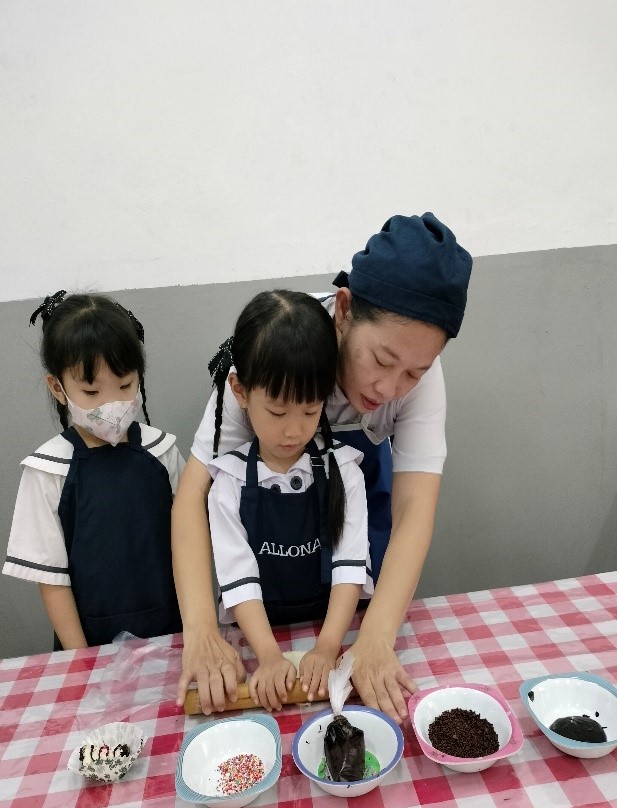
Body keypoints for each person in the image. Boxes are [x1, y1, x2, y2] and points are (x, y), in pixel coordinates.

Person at [173, 213, 472, 720]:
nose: (389, 389)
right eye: (381, 361)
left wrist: (375, 636)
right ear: (345, 309)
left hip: (348, 578)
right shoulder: (278, 352)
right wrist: (201, 630)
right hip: (265, 595)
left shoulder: (420, 371)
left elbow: (415, 508)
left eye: (413, 374)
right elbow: (192, 498)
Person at [207, 290, 372, 712]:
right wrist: (268, 656)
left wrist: (327, 647)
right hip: (257, 635)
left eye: (310, 410)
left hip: (330, 625)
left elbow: (349, 566)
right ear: (240, 391)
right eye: (278, 412)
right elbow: (238, 577)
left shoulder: (344, 470)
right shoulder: (228, 484)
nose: (294, 430)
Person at [3, 291, 185, 649]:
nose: (112, 404)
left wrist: (195, 633)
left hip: (172, 636)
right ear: (58, 388)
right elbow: (52, 580)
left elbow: (189, 548)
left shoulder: (162, 451)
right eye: (91, 391)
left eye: (125, 386)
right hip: (88, 646)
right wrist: (82, 662)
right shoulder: (47, 470)